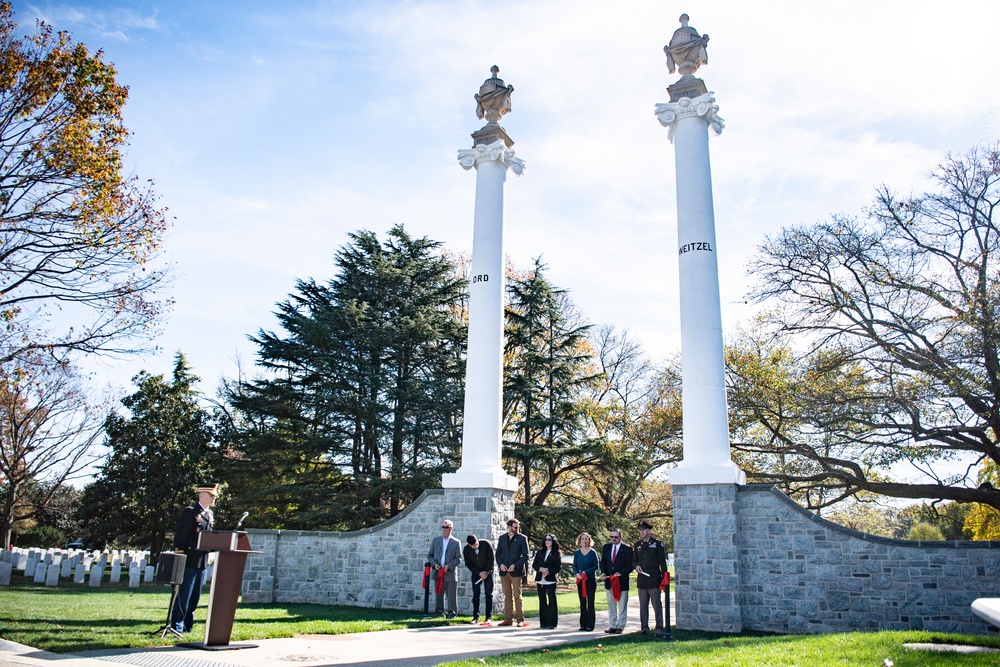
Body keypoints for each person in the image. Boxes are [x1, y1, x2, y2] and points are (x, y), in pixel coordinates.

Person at [170, 483, 217, 634]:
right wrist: (179, 556)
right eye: (211, 496)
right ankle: (177, 624)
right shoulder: (190, 512)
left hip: (201, 561)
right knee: (184, 594)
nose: (214, 499)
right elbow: (181, 535)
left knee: (194, 596)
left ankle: (187, 625)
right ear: (201, 495)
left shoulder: (209, 514)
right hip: (189, 559)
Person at [633, 519, 668, 638]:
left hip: (653, 579)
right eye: (640, 530)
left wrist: (664, 576)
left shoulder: (657, 544)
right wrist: (636, 566)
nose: (641, 532)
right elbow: (634, 561)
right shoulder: (637, 545)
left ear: (649, 531)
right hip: (642, 580)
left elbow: (662, 562)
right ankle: (644, 628)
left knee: (656, 605)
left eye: (643, 530)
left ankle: (659, 628)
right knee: (643, 606)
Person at [495, 517, 529, 627]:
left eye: (518, 527)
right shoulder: (502, 538)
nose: (517, 529)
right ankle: (508, 619)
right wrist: (501, 565)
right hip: (504, 572)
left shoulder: (522, 538)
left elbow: (526, 555)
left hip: (516, 571)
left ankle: (520, 619)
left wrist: (515, 565)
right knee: (507, 595)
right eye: (515, 527)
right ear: (509, 527)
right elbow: (498, 554)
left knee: (517, 595)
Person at [599, 527, 633, 634]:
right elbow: (603, 562)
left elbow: (630, 565)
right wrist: (603, 572)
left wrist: (621, 573)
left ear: (620, 537)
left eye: (616, 537)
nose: (613, 539)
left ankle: (621, 626)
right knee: (611, 604)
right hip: (610, 581)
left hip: (621, 581)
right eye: (612, 537)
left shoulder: (627, 549)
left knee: (622, 605)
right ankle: (612, 625)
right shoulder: (606, 547)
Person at [428, 519, 462, 618]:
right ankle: (439, 612)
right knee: (439, 593)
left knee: (451, 595)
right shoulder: (436, 540)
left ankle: (452, 613)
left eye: (446, 527)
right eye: (443, 527)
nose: (444, 529)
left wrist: (449, 566)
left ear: (451, 528)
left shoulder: (456, 542)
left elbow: (458, 558)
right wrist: (434, 564)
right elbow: (430, 556)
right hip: (438, 572)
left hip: (449, 573)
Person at [463, 534, 495, 625]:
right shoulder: (466, 549)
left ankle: (488, 617)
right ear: (469, 545)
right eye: (473, 545)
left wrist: (486, 572)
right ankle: (475, 617)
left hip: (488, 572)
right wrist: (479, 573)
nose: (476, 546)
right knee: (476, 594)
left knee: (488, 594)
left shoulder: (486, 544)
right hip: (476, 573)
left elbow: (491, 559)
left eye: (476, 544)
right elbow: (468, 564)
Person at [532, 534, 562, 629]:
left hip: (550, 580)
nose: (547, 541)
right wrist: (540, 569)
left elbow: (558, 567)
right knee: (542, 600)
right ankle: (543, 622)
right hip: (540, 580)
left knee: (552, 600)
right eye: (546, 540)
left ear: (553, 541)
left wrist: (548, 571)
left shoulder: (556, 553)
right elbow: (534, 565)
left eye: (549, 540)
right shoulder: (540, 552)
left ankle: (552, 623)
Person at [572, 532, 599, 631]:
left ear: (589, 541)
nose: (584, 540)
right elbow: (574, 565)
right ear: (579, 541)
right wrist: (577, 573)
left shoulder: (592, 552)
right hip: (580, 580)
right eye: (583, 539)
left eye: (586, 539)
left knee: (590, 602)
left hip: (590, 580)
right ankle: (583, 624)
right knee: (582, 602)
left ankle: (590, 625)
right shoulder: (577, 553)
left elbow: (596, 566)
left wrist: (586, 572)